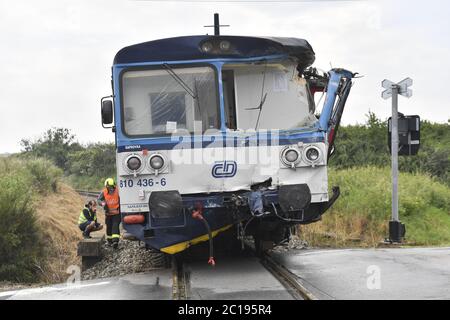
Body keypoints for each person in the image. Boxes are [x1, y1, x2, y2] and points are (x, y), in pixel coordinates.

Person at [98, 178, 121, 248]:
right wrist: (103, 203)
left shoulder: (118, 191)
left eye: (112, 187)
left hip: (117, 213)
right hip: (108, 214)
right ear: (106, 187)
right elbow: (99, 200)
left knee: (115, 225)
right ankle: (109, 241)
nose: (111, 189)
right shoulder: (104, 192)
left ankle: (115, 241)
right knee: (109, 227)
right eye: (109, 187)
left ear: (114, 186)